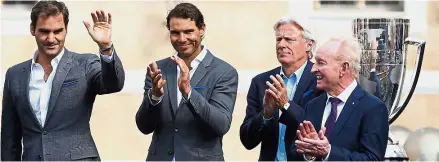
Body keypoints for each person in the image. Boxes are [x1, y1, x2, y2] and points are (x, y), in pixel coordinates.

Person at [1, 1, 125, 161]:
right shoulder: (15, 75)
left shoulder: (85, 64)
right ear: (33, 29)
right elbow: (9, 138)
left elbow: (113, 85)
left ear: (66, 29)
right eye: (44, 31)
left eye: (58, 31)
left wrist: (106, 48)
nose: (51, 38)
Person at [135, 2, 238, 161]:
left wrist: (189, 92)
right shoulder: (158, 69)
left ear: (202, 29)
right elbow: (144, 127)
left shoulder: (224, 72)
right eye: (175, 33)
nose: (182, 39)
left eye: (189, 31)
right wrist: (154, 97)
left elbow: (221, 124)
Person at [239, 17, 322, 161]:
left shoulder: (320, 79)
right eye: (278, 40)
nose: (281, 45)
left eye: (289, 39)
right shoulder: (261, 82)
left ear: (308, 45)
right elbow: (247, 140)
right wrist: (265, 115)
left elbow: (316, 128)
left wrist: (286, 105)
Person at [294, 37, 389, 161]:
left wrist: (328, 153)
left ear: (344, 68)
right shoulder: (313, 104)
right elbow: (294, 151)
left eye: (321, 63)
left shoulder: (373, 108)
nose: (313, 69)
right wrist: (309, 154)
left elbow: (373, 159)